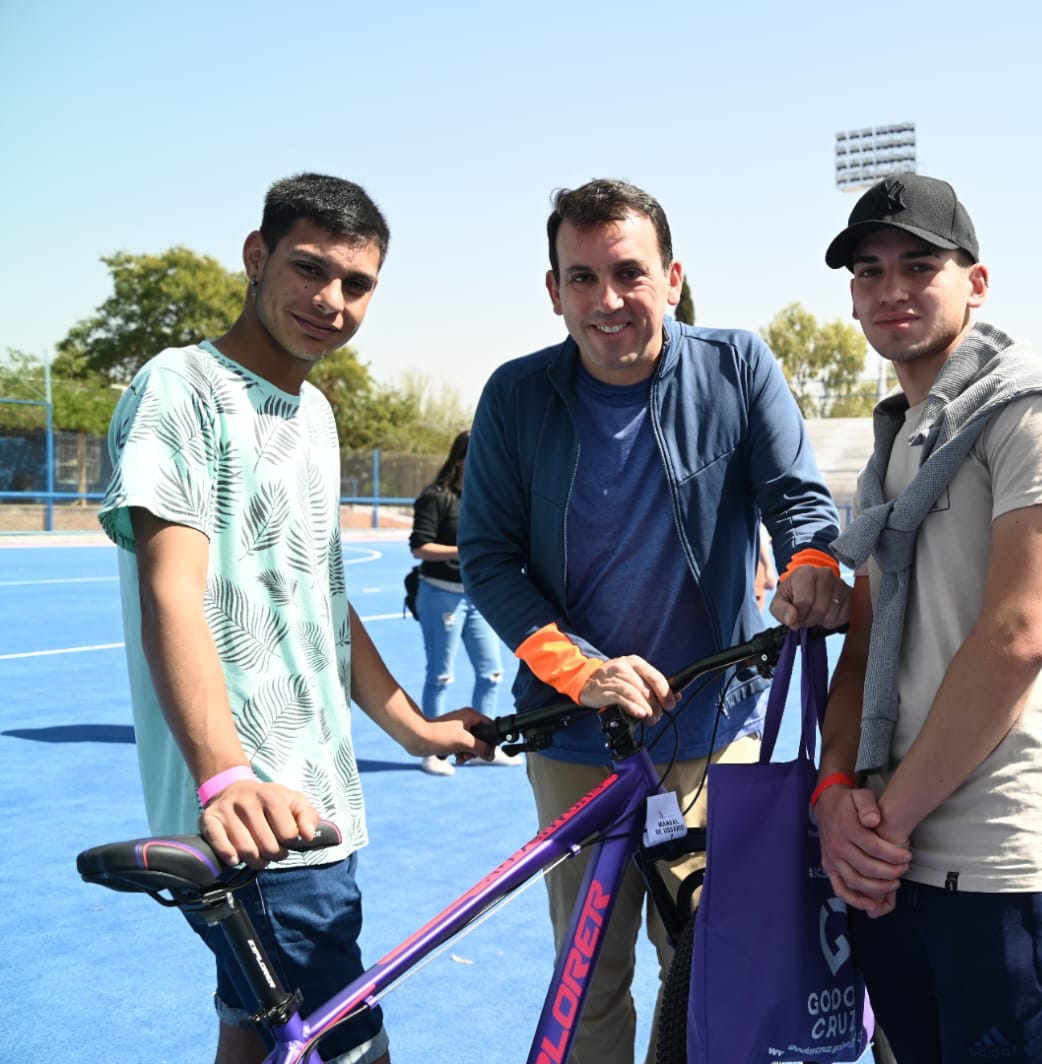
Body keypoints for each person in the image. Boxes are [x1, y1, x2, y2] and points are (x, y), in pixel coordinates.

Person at [97, 173, 493, 1064]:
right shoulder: (182, 388)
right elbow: (173, 590)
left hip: (322, 805)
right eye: (309, 269)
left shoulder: (314, 412)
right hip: (257, 817)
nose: (332, 301)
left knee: (259, 1030)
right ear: (256, 256)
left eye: (357, 285)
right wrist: (222, 779)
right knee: (350, 1048)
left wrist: (417, 728)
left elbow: (324, 599)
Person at [457, 178, 848, 1062]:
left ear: (671, 278)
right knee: (591, 980)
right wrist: (583, 670)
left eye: (627, 273)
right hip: (575, 741)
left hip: (716, 730)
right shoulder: (515, 397)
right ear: (553, 290)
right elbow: (487, 558)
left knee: (716, 972)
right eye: (582, 277)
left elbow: (798, 503)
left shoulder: (737, 364)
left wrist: (813, 564)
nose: (607, 300)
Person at [812, 174, 1042, 1062]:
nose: (891, 289)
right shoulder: (895, 445)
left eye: (919, 266)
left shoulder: (1033, 413)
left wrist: (879, 824)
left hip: (1003, 858)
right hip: (895, 855)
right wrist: (833, 792)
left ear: (977, 280)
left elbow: (1018, 638)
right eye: (870, 270)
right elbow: (864, 644)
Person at [409, 429, 518, 776]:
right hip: (440, 594)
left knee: (492, 674)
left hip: (476, 598)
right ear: (460, 460)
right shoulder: (436, 497)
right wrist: (464, 550)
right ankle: (432, 750)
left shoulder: (488, 498)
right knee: (441, 675)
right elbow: (419, 546)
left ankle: (485, 744)